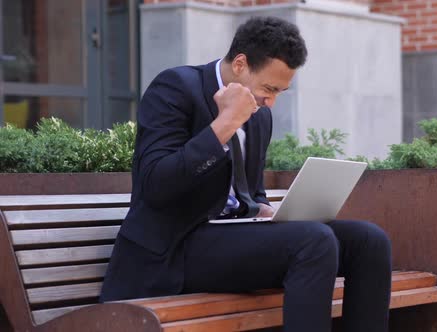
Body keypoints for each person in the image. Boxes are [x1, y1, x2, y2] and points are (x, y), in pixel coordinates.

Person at [100, 16, 392, 332]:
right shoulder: (175, 88)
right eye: (269, 88)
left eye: (281, 91)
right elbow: (155, 185)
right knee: (314, 242)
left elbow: (251, 193)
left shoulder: (259, 116)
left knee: (369, 241)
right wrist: (225, 123)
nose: (271, 102)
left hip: (230, 240)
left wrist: (267, 210)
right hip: (174, 248)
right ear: (240, 64)